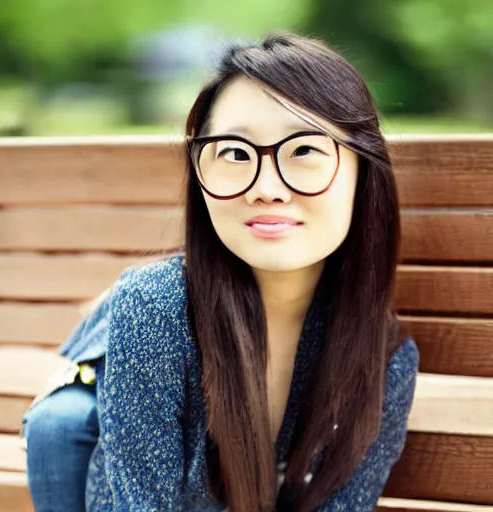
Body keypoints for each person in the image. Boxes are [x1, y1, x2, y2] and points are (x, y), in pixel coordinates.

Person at [22, 30, 419, 512]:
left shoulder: (385, 358)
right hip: (89, 423)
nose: (267, 187)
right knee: (60, 426)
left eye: (305, 151)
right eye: (234, 152)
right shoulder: (155, 308)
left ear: (364, 170)